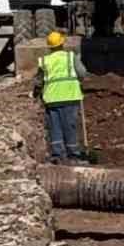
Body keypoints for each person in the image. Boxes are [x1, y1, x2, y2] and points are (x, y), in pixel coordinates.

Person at [33, 30, 88, 165]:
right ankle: (74, 156)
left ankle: (57, 155)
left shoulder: (45, 60)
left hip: (52, 99)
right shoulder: (70, 57)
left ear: (50, 46)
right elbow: (82, 73)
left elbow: (39, 81)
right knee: (70, 125)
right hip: (70, 96)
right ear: (62, 44)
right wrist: (79, 81)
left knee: (55, 127)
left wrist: (35, 93)